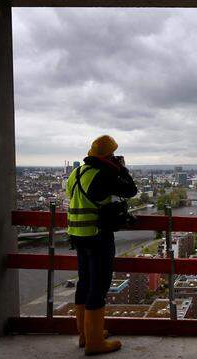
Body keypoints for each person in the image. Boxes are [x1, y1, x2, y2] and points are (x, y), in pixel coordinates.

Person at [66, 135, 137, 355]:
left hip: (76, 234)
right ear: (108, 156)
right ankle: (95, 343)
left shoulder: (76, 173)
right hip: (97, 235)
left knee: (84, 282)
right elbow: (130, 191)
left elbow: (73, 196)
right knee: (99, 285)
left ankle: (85, 335)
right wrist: (121, 169)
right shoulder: (103, 174)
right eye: (113, 155)